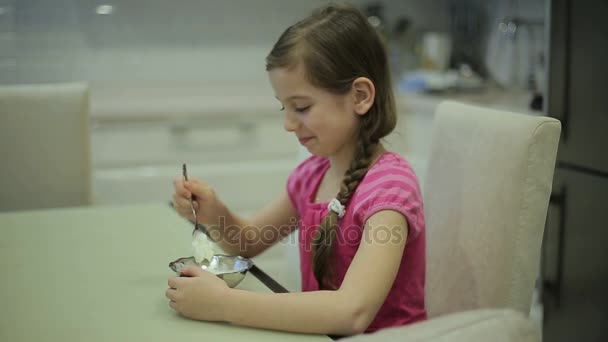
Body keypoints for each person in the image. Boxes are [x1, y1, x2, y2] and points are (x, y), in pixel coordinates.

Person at [167, 4, 426, 336]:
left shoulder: (391, 190)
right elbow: (247, 242)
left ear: (360, 96)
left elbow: (352, 312)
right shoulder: (313, 175)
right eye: (284, 107)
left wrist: (224, 304)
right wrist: (212, 211)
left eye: (301, 107)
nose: (288, 124)